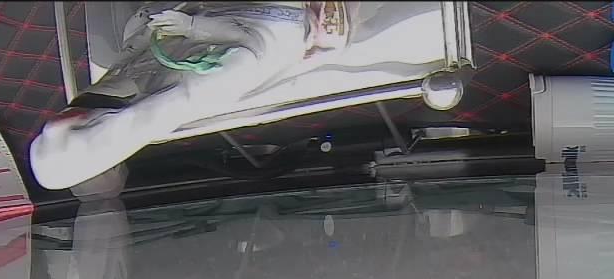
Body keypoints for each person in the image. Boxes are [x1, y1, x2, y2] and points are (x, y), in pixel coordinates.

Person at [30, 2, 445, 190]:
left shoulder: (120, 80)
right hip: (269, 22)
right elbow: (258, 47)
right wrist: (194, 28)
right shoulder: (195, 91)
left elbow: (141, 38)